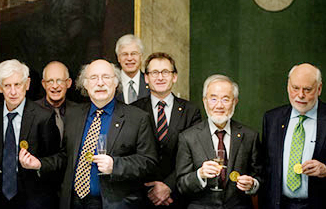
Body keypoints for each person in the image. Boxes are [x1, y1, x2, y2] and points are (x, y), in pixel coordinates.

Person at [19, 59, 158, 208]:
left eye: (106, 77)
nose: (100, 83)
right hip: (74, 203)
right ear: (85, 84)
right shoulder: (73, 115)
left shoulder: (138, 118)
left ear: (116, 82)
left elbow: (149, 161)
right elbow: (66, 156)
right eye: (93, 78)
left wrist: (115, 165)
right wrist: (40, 164)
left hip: (113, 204)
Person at [0, 59, 60, 209]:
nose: (13, 91)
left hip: (32, 196)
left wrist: (38, 164)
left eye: (17, 84)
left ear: (27, 84)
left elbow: (58, 158)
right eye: (7, 85)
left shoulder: (43, 117)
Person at [176, 74, 262, 208]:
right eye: (213, 99)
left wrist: (253, 184)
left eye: (225, 99)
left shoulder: (250, 136)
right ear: (205, 101)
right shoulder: (188, 137)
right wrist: (200, 175)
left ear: (235, 102)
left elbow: (260, 176)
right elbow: (181, 185)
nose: (219, 105)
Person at [132, 52, 201, 207]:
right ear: (146, 78)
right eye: (154, 72)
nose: (160, 77)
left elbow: (194, 155)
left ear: (174, 77)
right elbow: (131, 155)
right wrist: (152, 191)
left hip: (178, 196)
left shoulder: (191, 111)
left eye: (166, 72)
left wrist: (168, 186)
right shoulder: (134, 110)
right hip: (142, 196)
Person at [262, 63, 326, 209]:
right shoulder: (272, 119)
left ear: (319, 89)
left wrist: (325, 170)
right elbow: (265, 167)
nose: (300, 95)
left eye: (307, 89)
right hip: (279, 204)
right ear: (288, 86)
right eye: (295, 88)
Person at [36, 61, 77, 144]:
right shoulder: (33, 111)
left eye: (59, 81)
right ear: (44, 84)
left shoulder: (78, 112)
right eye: (50, 81)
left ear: (68, 83)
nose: (55, 86)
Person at [115, 34, 150, 104]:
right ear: (118, 58)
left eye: (134, 53)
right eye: (124, 54)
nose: (129, 58)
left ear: (141, 57)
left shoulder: (150, 82)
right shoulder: (112, 83)